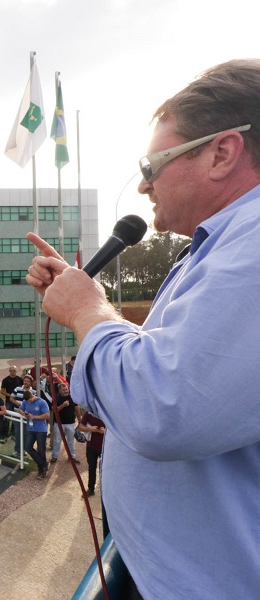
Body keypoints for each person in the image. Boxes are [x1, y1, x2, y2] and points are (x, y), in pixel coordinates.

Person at [26, 60, 260, 597]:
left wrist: (89, 313)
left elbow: (165, 405)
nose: (142, 183)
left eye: (153, 162)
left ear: (222, 153)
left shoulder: (251, 248)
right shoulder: (221, 245)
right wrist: (90, 302)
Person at [17, 390, 50, 479]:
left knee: (41, 449)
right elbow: (20, 409)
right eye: (27, 401)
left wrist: (34, 417)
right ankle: (44, 464)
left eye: (30, 400)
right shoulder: (25, 401)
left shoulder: (42, 402)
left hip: (41, 429)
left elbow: (47, 415)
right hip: (30, 429)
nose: (29, 402)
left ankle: (41, 469)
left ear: (33, 396)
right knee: (28, 447)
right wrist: (23, 413)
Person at [49, 382, 80, 464]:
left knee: (70, 441)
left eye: (66, 389)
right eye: (63, 390)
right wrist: (63, 405)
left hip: (70, 423)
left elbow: (77, 409)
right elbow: (54, 410)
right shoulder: (56, 398)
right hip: (58, 423)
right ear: (59, 390)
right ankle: (54, 456)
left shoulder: (72, 397)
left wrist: (80, 421)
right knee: (57, 440)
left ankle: (72, 456)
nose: (66, 391)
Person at [77, 411, 106, 497]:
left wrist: (105, 431)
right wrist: (90, 429)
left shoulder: (106, 412)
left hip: (104, 447)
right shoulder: (89, 413)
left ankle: (104, 490)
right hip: (91, 446)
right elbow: (80, 426)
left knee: (104, 470)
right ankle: (91, 489)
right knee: (91, 467)